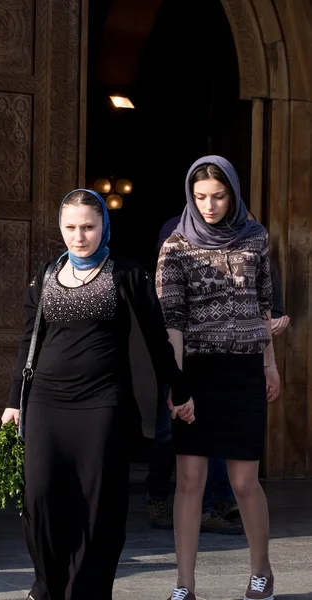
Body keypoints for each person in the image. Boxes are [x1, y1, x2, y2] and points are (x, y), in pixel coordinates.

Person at [1, 188, 193, 600]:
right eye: (70, 227)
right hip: (46, 403)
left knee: (98, 502)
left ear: (104, 225)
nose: (79, 235)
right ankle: (48, 587)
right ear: (61, 228)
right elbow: (28, 340)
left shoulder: (126, 273)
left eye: (88, 226)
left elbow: (158, 340)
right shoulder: (47, 274)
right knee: (40, 499)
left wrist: (179, 390)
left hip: (102, 402)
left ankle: (86, 591)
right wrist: (14, 400)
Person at [157, 156, 280, 600]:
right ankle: (184, 585)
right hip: (198, 373)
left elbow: (263, 307)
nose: (209, 205)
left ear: (233, 193)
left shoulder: (256, 237)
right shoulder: (175, 246)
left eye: (218, 196)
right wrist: (178, 384)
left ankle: (261, 571)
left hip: (245, 372)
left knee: (245, 482)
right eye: (200, 197)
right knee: (189, 481)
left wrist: (270, 365)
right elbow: (172, 321)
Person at [147, 217, 242, 535]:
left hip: (213, 349)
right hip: (175, 347)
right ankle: (158, 498)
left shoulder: (233, 232)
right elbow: (167, 303)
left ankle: (217, 502)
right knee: (167, 430)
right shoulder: (172, 230)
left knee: (212, 428)